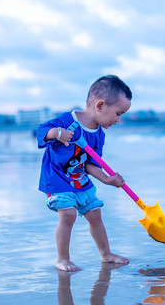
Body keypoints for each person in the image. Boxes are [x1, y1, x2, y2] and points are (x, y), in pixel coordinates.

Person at [37, 75, 132, 272]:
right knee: (69, 214)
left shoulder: (98, 135)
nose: (118, 120)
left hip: (80, 180)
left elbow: (91, 163)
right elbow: (40, 132)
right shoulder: (66, 121)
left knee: (95, 214)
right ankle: (62, 258)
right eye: (117, 113)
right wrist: (56, 134)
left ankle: (106, 254)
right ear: (100, 105)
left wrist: (107, 179)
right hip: (58, 180)